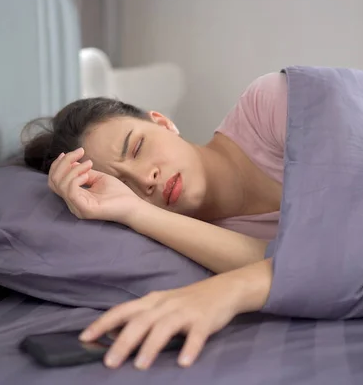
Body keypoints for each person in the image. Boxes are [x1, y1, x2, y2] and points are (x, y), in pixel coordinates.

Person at [22, 72, 288, 370]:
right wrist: (132, 210)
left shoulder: (268, 106)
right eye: (124, 184)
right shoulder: (210, 244)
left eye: (137, 148)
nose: (144, 179)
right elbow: (294, 268)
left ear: (163, 122)